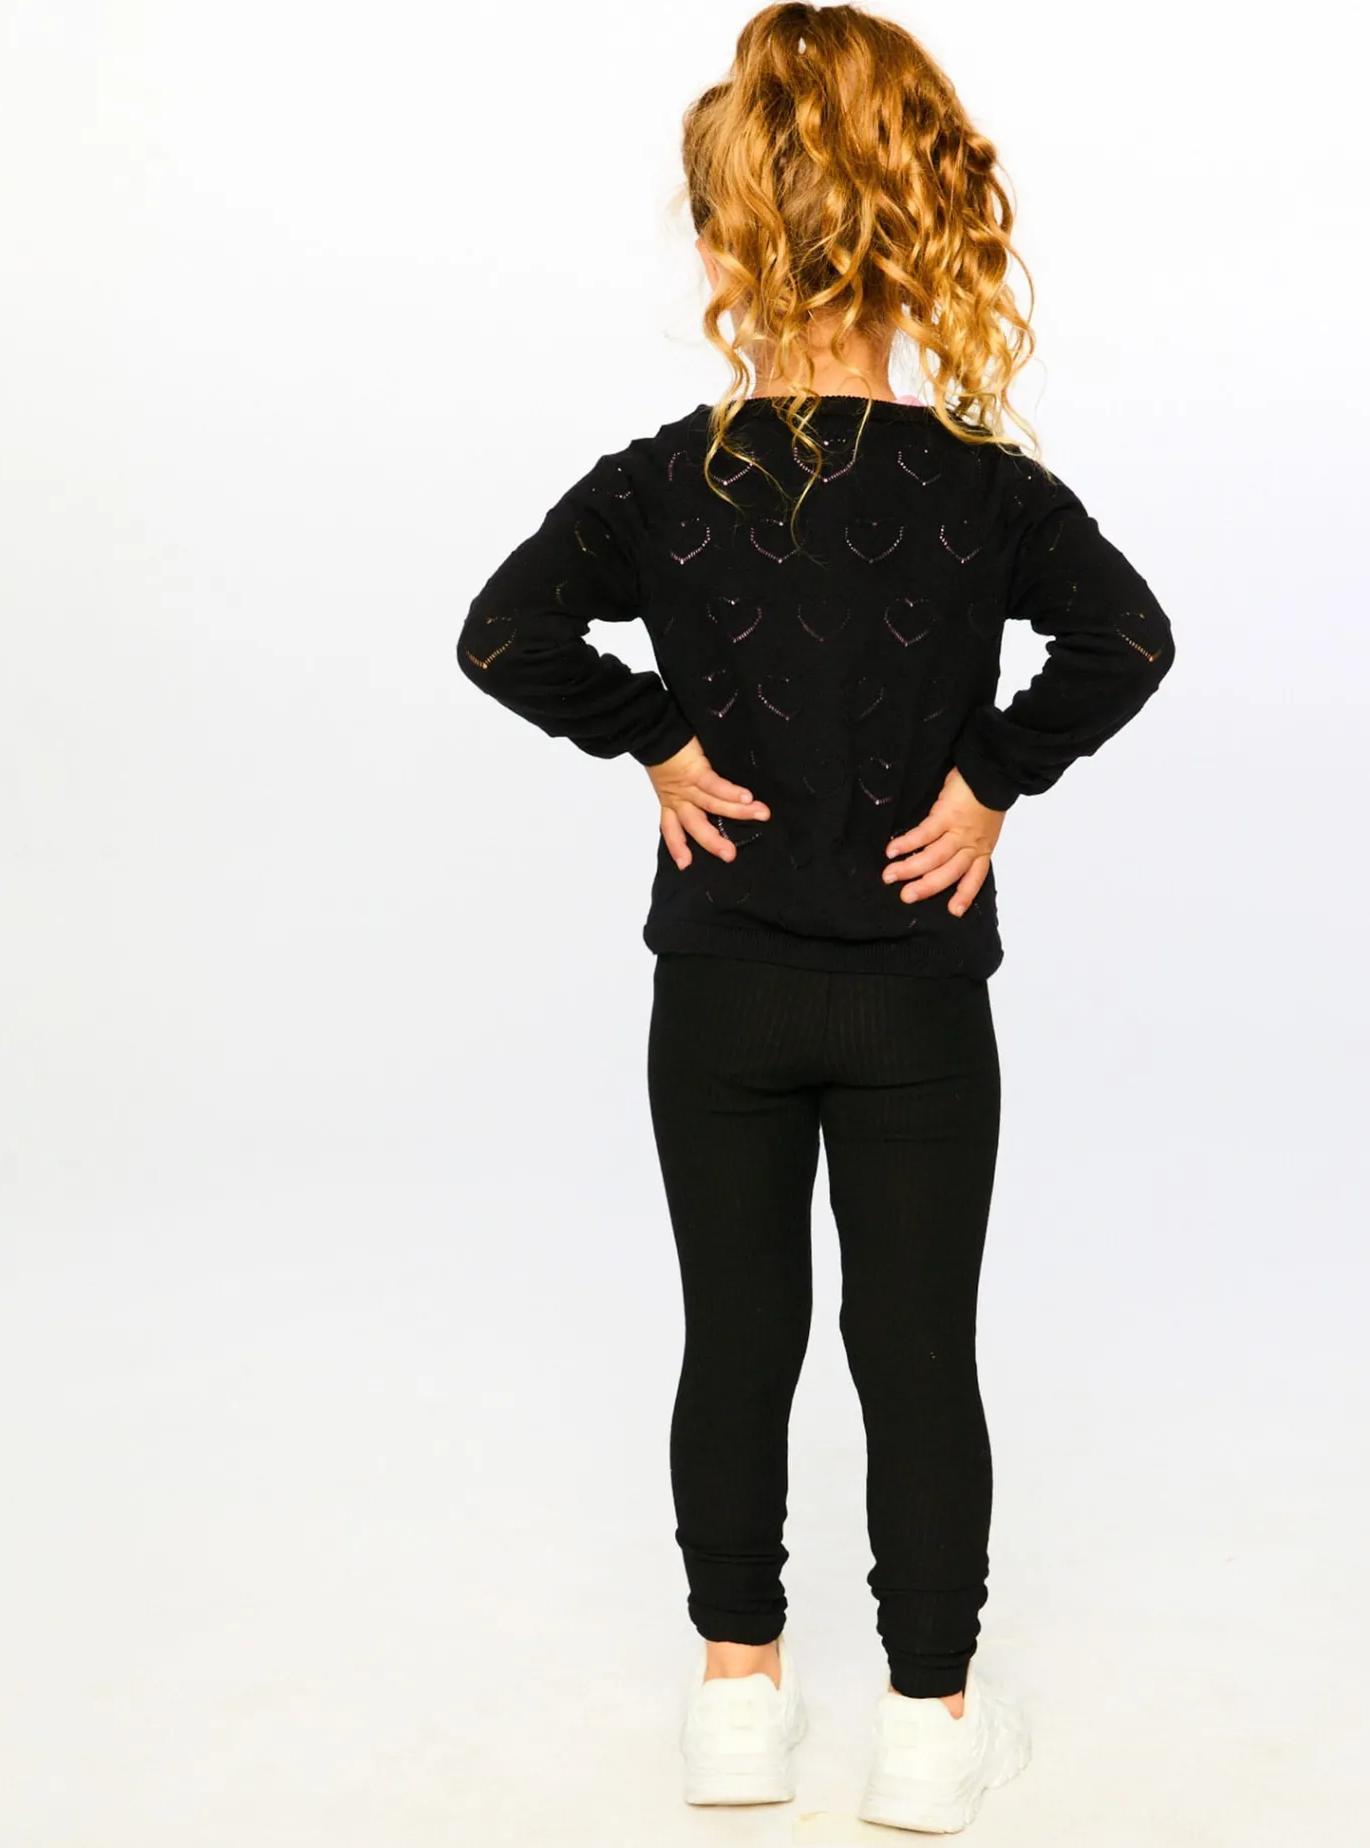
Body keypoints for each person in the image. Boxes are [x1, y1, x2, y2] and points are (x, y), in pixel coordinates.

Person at [454, 2, 1176, 1831]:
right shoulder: (987, 491)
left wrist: (658, 740)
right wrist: (991, 780)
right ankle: (927, 1726)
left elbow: (502, 634)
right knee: (917, 1353)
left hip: (720, 998)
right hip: (918, 1003)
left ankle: (737, 1700)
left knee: (738, 1336)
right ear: (919, 240)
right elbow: (1130, 639)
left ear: (724, 249)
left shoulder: (659, 482)